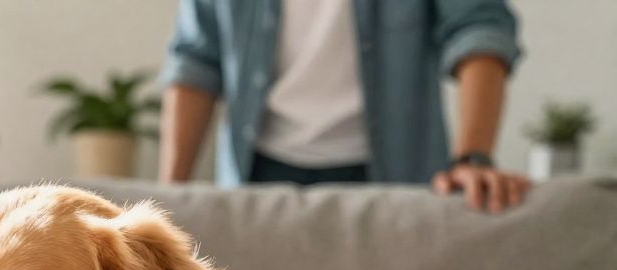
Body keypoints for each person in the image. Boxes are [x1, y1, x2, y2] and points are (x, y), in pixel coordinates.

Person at [159, 0, 530, 212]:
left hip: (391, 178)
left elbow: (478, 28)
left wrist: (472, 158)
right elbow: (196, 60)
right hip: (254, 177)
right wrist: (167, 201)